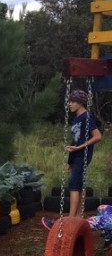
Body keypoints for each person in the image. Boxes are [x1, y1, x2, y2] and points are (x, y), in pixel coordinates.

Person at [42, 89, 103, 230]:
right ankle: (78, 217)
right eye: (69, 101)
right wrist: (70, 161)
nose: (69, 104)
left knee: (74, 185)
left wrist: (80, 147)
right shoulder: (77, 118)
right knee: (78, 185)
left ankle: (70, 220)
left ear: (81, 103)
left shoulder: (86, 117)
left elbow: (98, 136)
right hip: (76, 156)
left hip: (83, 155)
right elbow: (75, 141)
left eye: (73, 101)